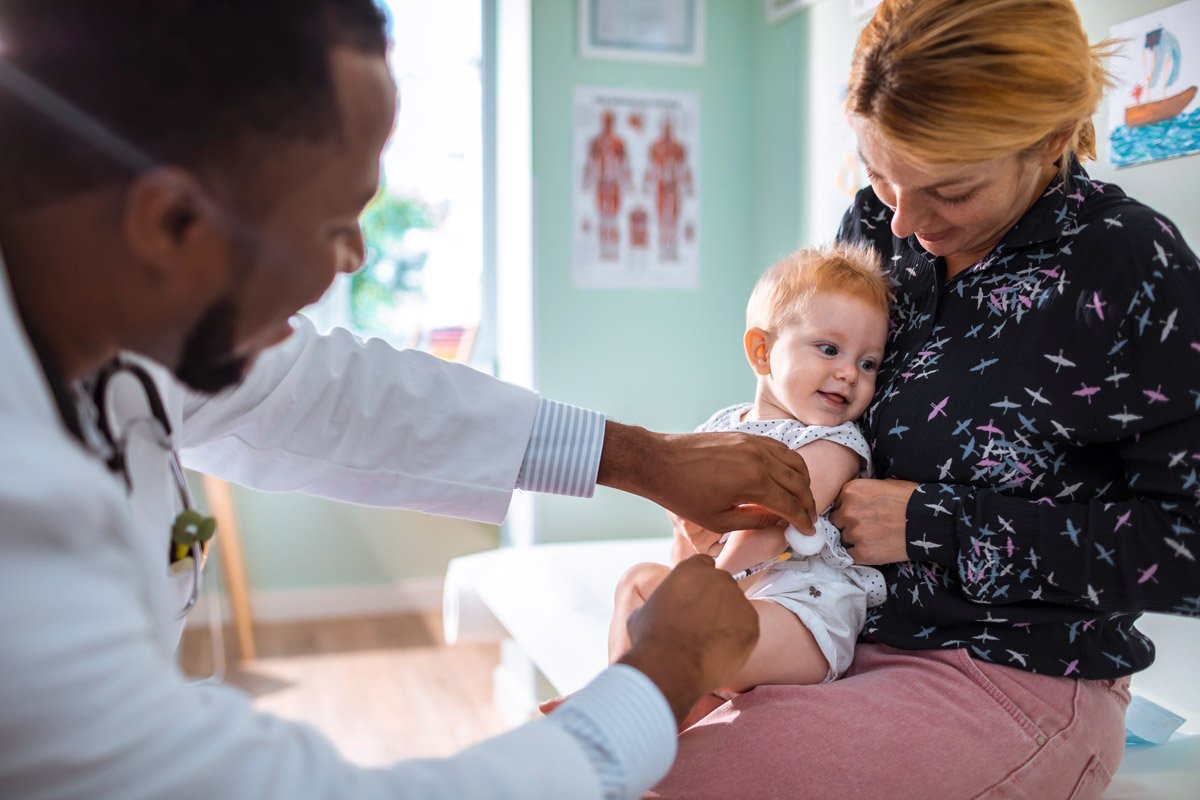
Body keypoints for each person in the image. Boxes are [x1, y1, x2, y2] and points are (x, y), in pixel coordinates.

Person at [0, 2, 821, 798]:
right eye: (332, 227)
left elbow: (330, 396)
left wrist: (646, 457)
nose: (356, 257)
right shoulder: (19, 521)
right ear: (173, 221)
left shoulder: (108, 310)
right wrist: (664, 671)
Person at [649, 1, 1200, 798]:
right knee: (605, 744)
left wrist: (936, 525)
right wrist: (744, 481)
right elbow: (818, 388)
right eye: (880, 174)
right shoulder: (886, 221)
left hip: (1008, 670)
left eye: (948, 190)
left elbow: (1186, 545)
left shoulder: (1128, 267)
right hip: (833, 623)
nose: (904, 219)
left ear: (1047, 142)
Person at [606, 242, 890, 710]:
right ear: (762, 351)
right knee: (638, 582)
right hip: (727, 609)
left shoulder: (834, 444)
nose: (847, 373)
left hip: (801, 616)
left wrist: (701, 597)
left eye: (867, 363)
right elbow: (685, 533)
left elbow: (773, 520)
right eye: (829, 349)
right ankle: (620, 702)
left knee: (691, 640)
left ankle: (639, 704)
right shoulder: (719, 430)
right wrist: (680, 588)